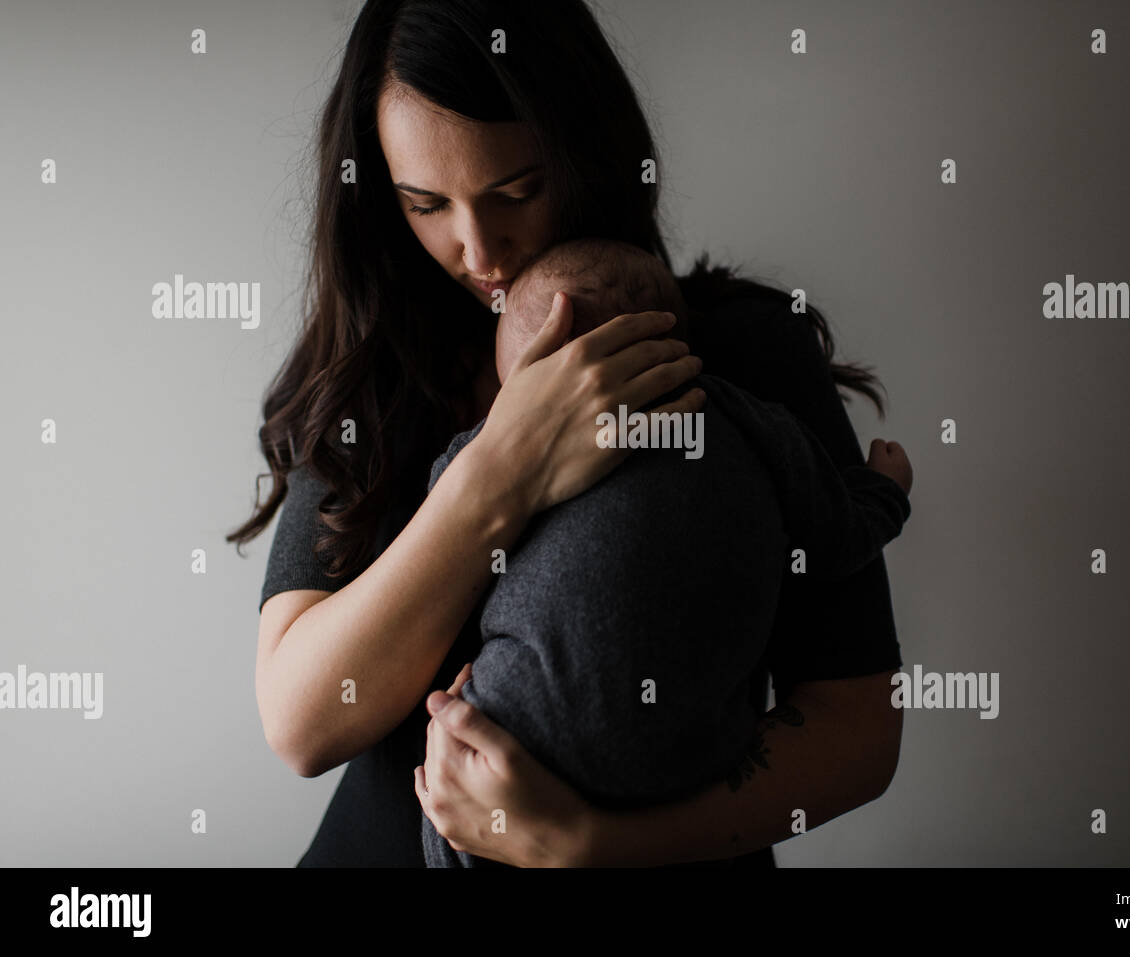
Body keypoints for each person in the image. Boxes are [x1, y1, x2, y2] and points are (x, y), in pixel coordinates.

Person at [231, 0, 910, 868]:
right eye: (425, 203)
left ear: (585, 152)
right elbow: (301, 722)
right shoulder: (382, 375)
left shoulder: (739, 354)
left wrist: (591, 845)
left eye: (516, 190)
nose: (479, 250)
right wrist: (503, 469)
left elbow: (858, 731)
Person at [418, 238, 912, 867]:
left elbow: (448, 551)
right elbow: (837, 536)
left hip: (522, 731)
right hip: (691, 756)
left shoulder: (488, 454)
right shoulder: (751, 421)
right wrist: (884, 493)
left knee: (449, 795)